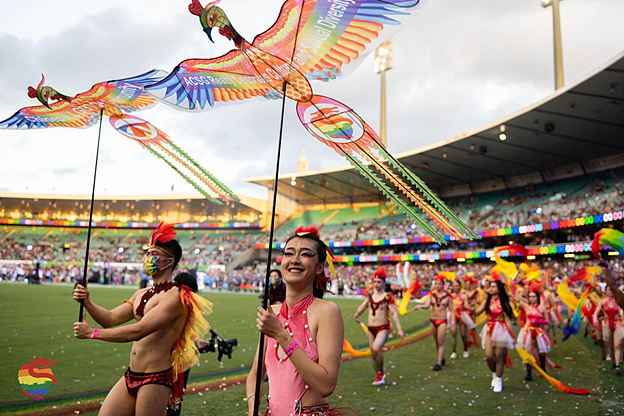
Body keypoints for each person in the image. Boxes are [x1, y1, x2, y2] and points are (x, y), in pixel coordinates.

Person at [73, 223, 212, 416]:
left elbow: (138, 330)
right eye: (148, 254)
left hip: (155, 378)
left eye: (154, 254)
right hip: (131, 374)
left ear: (169, 261)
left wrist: (92, 334)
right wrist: (87, 300)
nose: (148, 259)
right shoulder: (142, 293)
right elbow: (110, 318)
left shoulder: (175, 297)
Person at [246, 226, 351, 416]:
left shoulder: (326, 311)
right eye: (289, 253)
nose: (294, 260)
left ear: (320, 267)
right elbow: (255, 375)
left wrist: (280, 334)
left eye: (305, 254)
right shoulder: (273, 312)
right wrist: (253, 408)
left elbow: (326, 385)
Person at [353, 266, 404, 385]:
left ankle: (380, 373)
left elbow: (393, 313)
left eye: (379, 282)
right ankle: (379, 374)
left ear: (384, 283)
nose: (376, 284)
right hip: (371, 329)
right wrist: (357, 313)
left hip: (383, 328)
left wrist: (399, 329)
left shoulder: (387, 297)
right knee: (373, 354)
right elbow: (363, 306)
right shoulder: (370, 296)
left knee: (376, 348)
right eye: (374, 281)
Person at [475, 279, 515, 393]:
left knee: (499, 357)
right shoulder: (487, 301)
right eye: (490, 286)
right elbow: (477, 312)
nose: (490, 288)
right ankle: (494, 373)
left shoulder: (504, 302)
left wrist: (511, 335)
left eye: (493, 287)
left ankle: (498, 379)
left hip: (501, 329)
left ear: (499, 289)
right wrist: (469, 305)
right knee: (488, 356)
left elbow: (507, 319)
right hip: (489, 328)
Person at [413, 274, 455, 371]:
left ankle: (438, 363)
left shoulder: (447, 297)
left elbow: (452, 310)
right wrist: (420, 307)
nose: (438, 285)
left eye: (439, 284)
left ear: (443, 285)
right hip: (433, 320)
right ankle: (442, 357)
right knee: (437, 341)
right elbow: (427, 306)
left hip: (442, 320)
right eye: (436, 284)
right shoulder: (431, 295)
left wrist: (452, 322)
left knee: (441, 341)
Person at [515, 283, 551, 381]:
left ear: (537, 297)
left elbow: (548, 321)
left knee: (541, 352)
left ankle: (543, 370)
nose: (531, 298)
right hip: (528, 331)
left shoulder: (542, 308)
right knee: (528, 351)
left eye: (533, 296)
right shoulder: (527, 306)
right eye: (530, 296)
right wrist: (513, 285)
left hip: (539, 331)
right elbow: (516, 299)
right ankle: (529, 373)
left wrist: (540, 322)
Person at [594, 266, 624, 375]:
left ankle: (617, 365)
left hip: (617, 323)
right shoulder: (603, 301)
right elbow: (597, 311)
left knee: (617, 344)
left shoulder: (619, 299)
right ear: (606, 291)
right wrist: (595, 319)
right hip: (607, 323)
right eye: (608, 290)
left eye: (611, 290)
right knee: (609, 345)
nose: (610, 291)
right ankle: (613, 361)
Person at [449, 279, 470, 359]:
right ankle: (453, 352)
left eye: (457, 285)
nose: (455, 287)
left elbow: (466, 306)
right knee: (453, 333)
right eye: (454, 286)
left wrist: (470, 308)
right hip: (453, 315)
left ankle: (465, 349)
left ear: (460, 286)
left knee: (463, 334)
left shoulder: (464, 295)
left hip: (461, 315)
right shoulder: (451, 295)